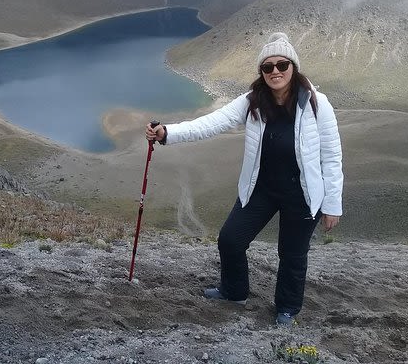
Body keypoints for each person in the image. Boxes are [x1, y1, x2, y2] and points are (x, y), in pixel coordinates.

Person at [145, 32, 343, 326]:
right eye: (267, 67)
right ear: (261, 72)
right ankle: (234, 292)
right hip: (260, 188)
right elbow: (212, 122)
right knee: (230, 240)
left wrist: (332, 205)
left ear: (293, 67)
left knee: (292, 255)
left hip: (301, 193)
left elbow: (332, 154)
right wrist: (167, 133)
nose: (275, 71)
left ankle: (287, 309)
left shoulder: (316, 103)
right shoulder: (252, 101)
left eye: (282, 65)